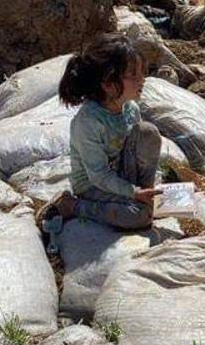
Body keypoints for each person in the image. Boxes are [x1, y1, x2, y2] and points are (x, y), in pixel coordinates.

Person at [40, 33, 162, 231]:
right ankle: (72, 206)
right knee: (139, 217)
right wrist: (132, 192)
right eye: (133, 75)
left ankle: (147, 196)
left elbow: (137, 149)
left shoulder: (130, 109)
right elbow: (98, 175)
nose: (142, 80)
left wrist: (139, 190)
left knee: (148, 132)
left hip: (121, 175)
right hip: (93, 185)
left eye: (142, 73)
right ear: (108, 84)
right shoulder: (88, 122)